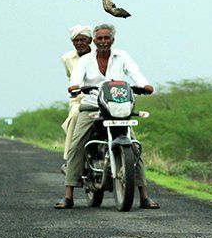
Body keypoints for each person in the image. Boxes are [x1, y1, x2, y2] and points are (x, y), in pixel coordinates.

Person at [56, 23, 159, 209]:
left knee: (134, 147)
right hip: (92, 105)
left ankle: (144, 196)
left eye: (106, 38)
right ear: (94, 41)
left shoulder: (122, 56)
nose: (103, 41)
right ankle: (68, 195)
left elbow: (134, 72)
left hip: (118, 106)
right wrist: (75, 86)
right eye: (100, 38)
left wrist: (145, 85)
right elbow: (76, 76)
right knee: (76, 145)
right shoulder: (85, 60)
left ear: (113, 40)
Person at [61, 25, 93, 168]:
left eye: (83, 40)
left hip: (100, 98)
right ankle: (70, 158)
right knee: (74, 115)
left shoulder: (99, 55)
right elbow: (70, 77)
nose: (79, 43)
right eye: (76, 40)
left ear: (90, 41)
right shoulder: (67, 58)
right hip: (79, 99)